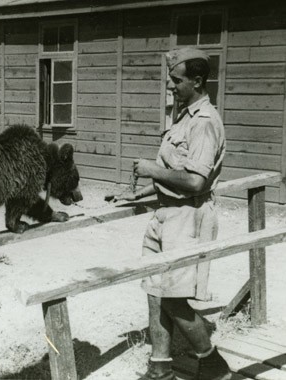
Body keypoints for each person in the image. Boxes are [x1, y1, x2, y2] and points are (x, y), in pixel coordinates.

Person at [115, 47, 231, 380]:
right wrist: (142, 190)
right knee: (154, 292)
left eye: (176, 80)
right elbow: (176, 172)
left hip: (187, 218)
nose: (171, 86)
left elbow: (195, 181)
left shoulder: (206, 123)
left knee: (174, 299)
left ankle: (213, 364)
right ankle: (160, 367)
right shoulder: (182, 116)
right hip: (165, 214)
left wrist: (152, 170)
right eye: (170, 79)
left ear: (197, 81)